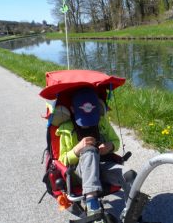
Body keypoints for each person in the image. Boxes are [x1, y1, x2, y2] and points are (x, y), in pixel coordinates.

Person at [56, 87, 136, 220]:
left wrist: (109, 146)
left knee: (130, 175)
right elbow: (62, 159)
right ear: (73, 109)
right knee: (89, 151)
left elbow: (116, 141)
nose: (88, 124)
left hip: (102, 166)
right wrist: (76, 150)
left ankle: (132, 212)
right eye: (84, 119)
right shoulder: (65, 129)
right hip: (79, 171)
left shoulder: (102, 122)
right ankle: (92, 205)